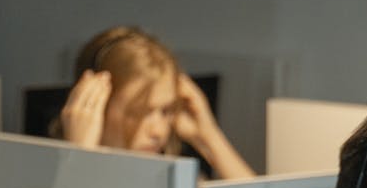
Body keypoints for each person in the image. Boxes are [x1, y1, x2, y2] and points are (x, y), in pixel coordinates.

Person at [55, 26, 254, 179]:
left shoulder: (172, 181)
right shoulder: (49, 179)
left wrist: (209, 138)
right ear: (95, 105)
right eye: (138, 113)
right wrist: (80, 156)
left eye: (166, 111)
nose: (158, 131)